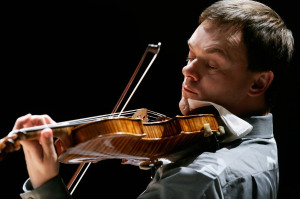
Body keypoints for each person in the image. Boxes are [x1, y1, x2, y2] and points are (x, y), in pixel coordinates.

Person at [11, 0, 293, 198]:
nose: (187, 70)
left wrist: (45, 183)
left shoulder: (200, 180)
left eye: (212, 64)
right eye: (191, 55)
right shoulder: (263, 147)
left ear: (258, 82)